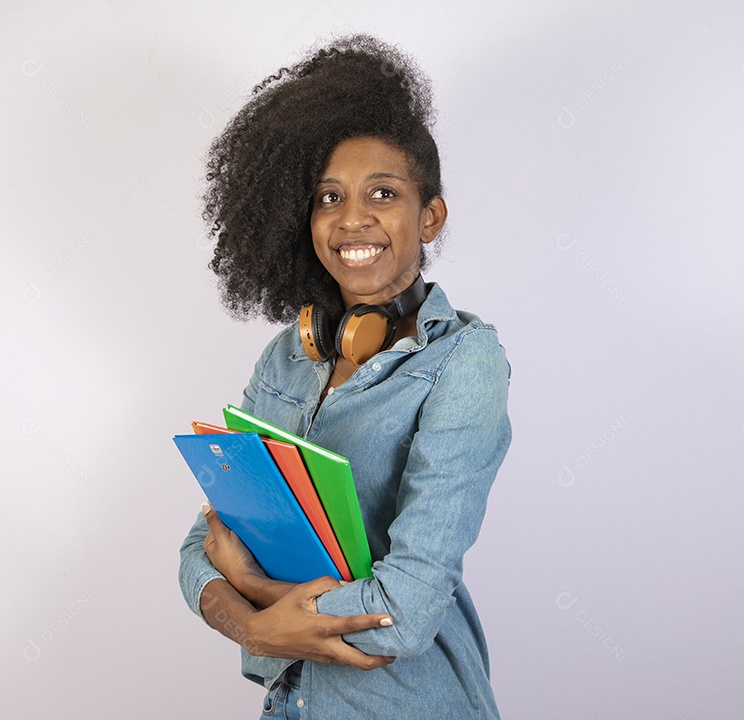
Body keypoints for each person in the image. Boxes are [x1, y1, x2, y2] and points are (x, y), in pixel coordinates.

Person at [178, 34, 512, 719]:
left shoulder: (464, 363)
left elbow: (407, 611)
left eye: (382, 193)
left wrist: (258, 604)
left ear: (430, 216)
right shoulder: (288, 356)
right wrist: (245, 621)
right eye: (329, 197)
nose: (352, 217)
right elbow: (201, 546)